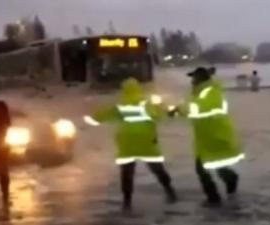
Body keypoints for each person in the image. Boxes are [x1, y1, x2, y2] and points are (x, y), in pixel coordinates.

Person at [84, 78, 177, 213]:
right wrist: (172, 110)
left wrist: (90, 119)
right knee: (157, 168)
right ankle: (170, 192)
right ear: (138, 88)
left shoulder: (121, 106)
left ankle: (127, 202)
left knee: (127, 172)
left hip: (126, 142)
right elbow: (162, 113)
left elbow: (100, 117)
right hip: (146, 141)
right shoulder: (145, 104)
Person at [170, 67, 244, 208]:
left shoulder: (211, 92)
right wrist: (177, 111)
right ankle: (229, 186)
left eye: (193, 77)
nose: (191, 81)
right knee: (214, 166)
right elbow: (196, 109)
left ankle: (214, 198)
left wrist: (179, 109)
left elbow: (199, 109)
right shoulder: (202, 93)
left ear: (200, 78)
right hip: (207, 138)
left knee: (203, 168)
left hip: (215, 137)